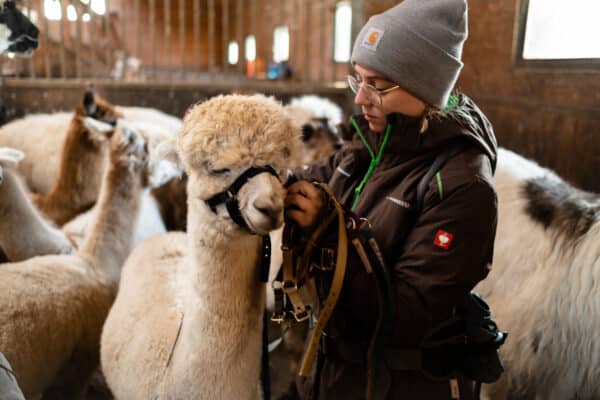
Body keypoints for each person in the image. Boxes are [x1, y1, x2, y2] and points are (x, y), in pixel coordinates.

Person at [284, 0, 498, 399]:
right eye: (358, 80)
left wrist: (331, 233)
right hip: (333, 376)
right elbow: (308, 179)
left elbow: (407, 315)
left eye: (377, 86)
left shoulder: (462, 187)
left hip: (396, 386)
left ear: (425, 85)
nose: (361, 98)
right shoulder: (369, 143)